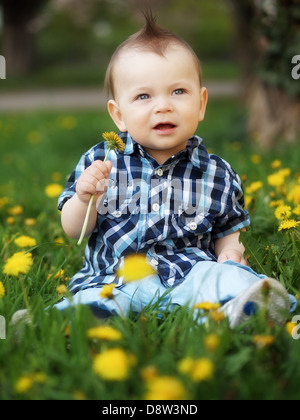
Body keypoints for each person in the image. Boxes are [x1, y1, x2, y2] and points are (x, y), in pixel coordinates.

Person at [55, 13, 296, 327]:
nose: (163, 106)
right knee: (98, 298)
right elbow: (75, 230)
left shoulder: (217, 173)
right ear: (119, 115)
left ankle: (243, 307)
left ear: (201, 103)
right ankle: (74, 320)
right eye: (144, 96)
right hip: (118, 278)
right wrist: (84, 199)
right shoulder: (102, 161)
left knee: (224, 276)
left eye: (178, 92)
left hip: (190, 276)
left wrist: (231, 253)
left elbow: (228, 230)